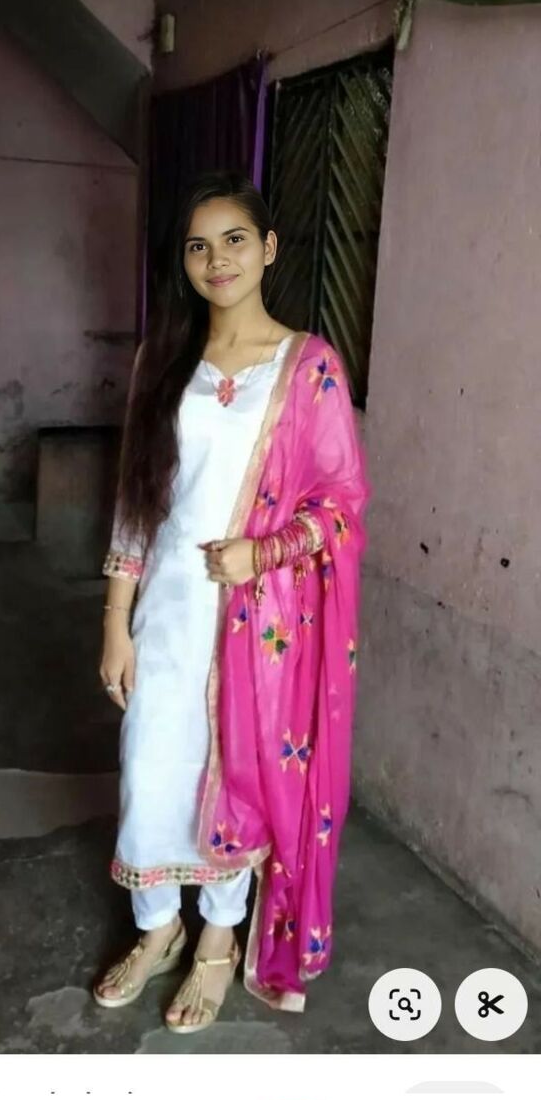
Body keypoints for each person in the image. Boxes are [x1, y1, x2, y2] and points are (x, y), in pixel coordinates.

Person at [93, 170, 370, 1032]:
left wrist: (265, 551)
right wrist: (115, 622)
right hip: (168, 612)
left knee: (238, 775)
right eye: (198, 246)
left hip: (263, 621)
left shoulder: (308, 367)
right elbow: (137, 501)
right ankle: (157, 928)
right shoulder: (162, 359)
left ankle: (215, 939)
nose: (217, 260)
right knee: (152, 768)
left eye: (235, 240)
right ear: (183, 261)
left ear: (269, 248)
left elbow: (342, 503)